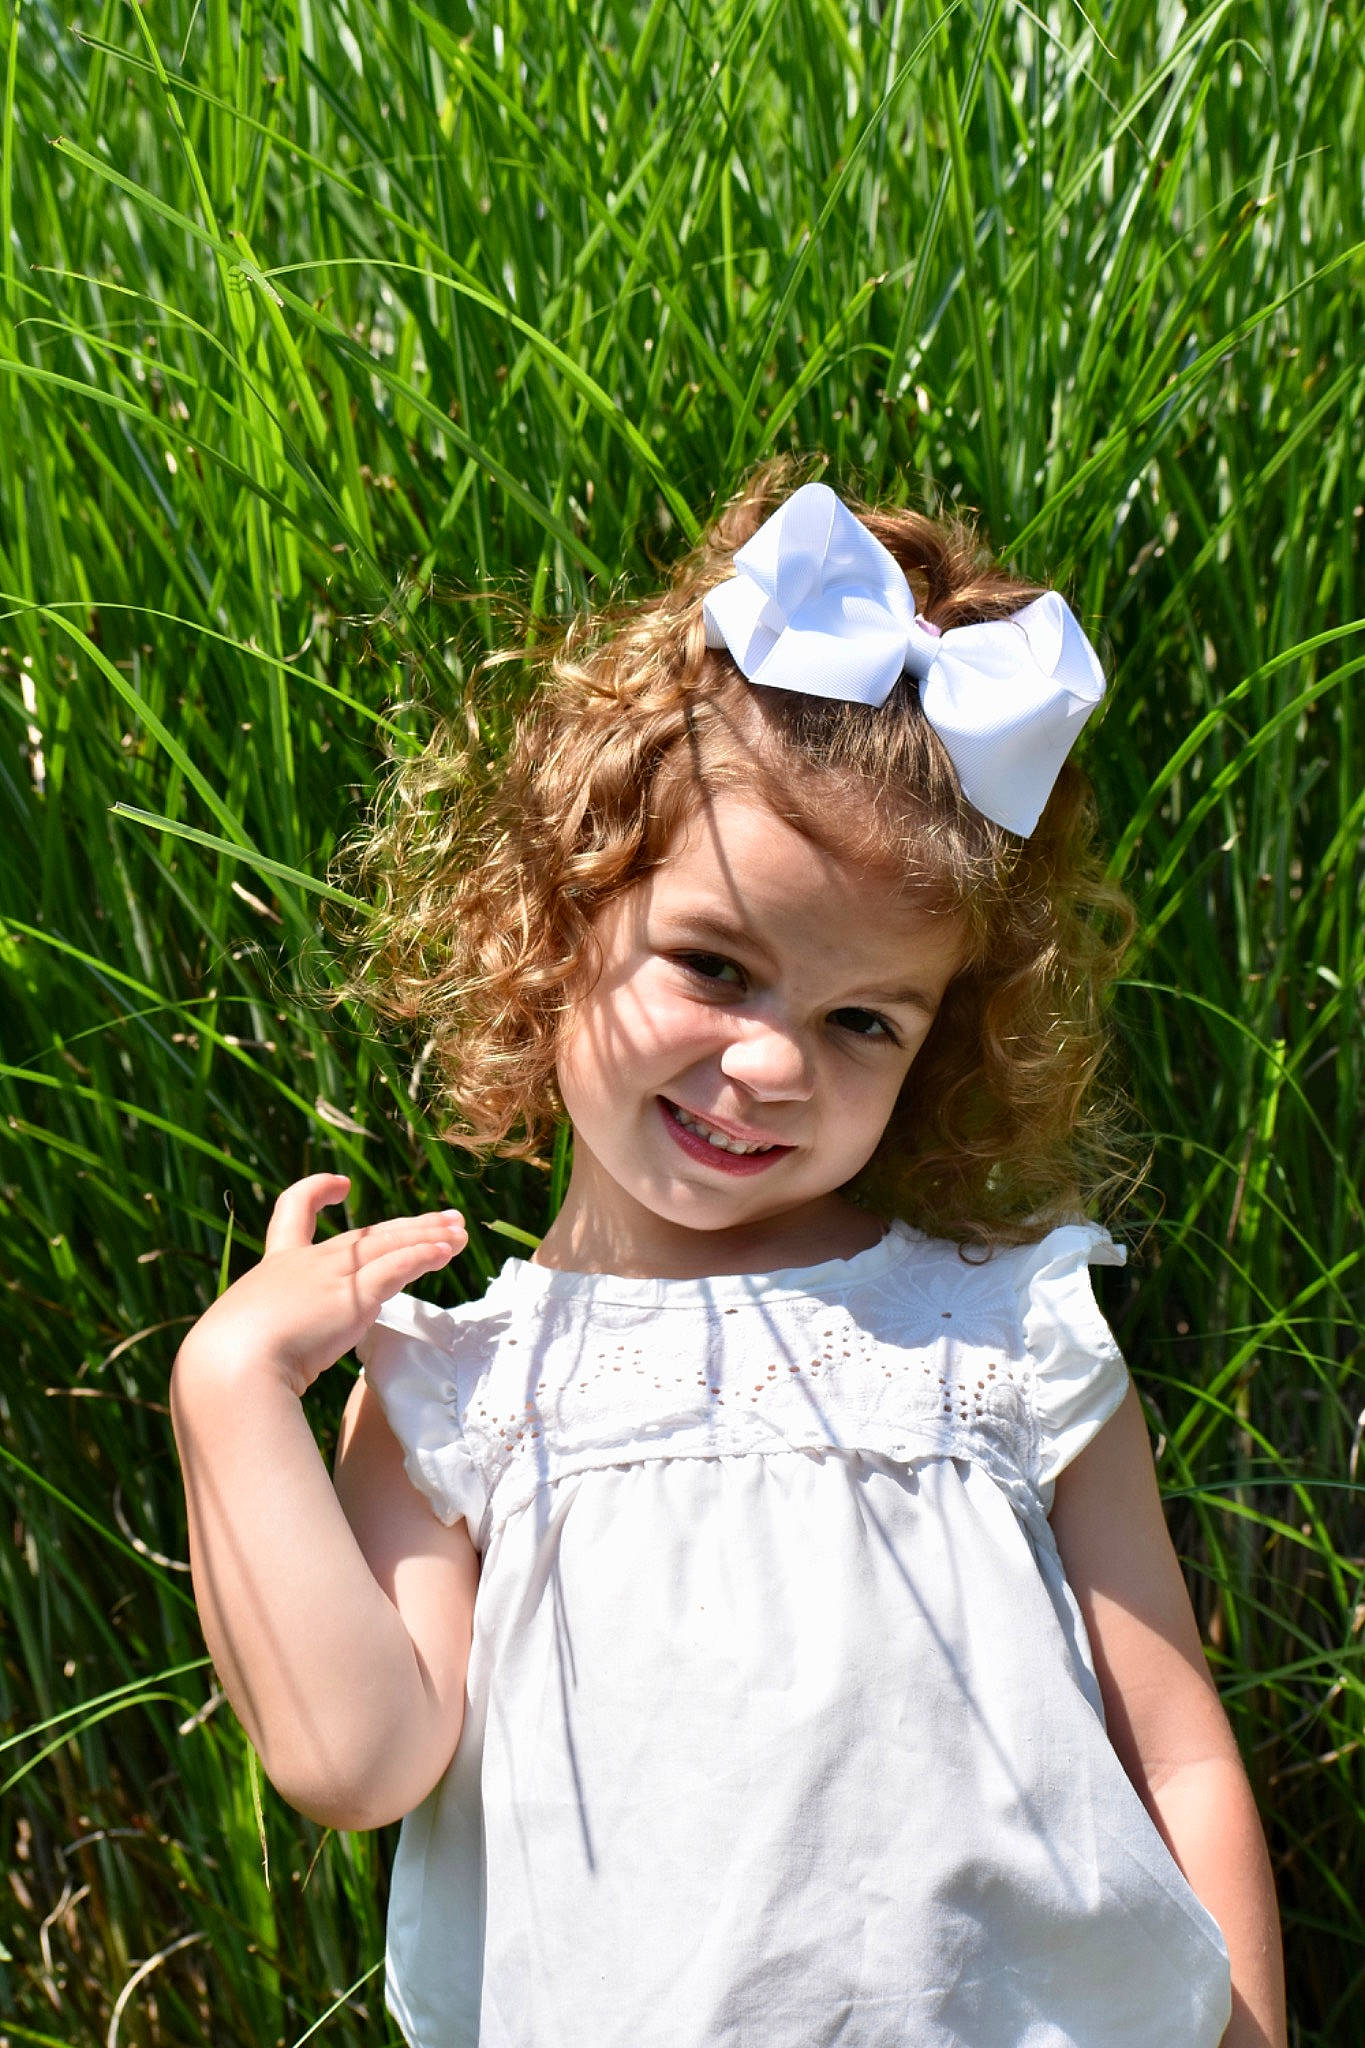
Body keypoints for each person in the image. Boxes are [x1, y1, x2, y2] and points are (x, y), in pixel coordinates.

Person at [170, 470, 1287, 2048]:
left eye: (860, 1021)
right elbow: (356, 1759)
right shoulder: (462, 1392)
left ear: (936, 1043)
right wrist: (227, 1391)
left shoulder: (997, 1329)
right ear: (560, 915)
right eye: (711, 966)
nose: (768, 1063)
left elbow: (1171, 1754)